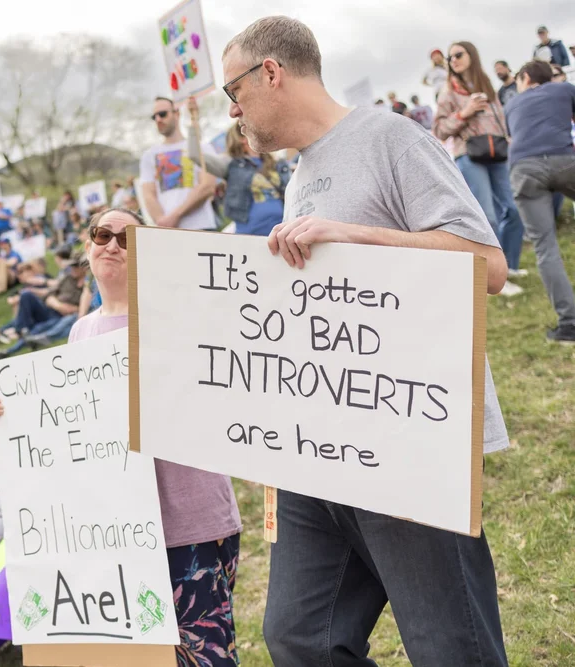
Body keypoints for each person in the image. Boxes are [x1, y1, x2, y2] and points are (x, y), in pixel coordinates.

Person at [221, 16, 509, 666]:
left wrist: (357, 236)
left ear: (271, 72)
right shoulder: (298, 178)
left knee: (448, 645)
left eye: (233, 90)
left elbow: (487, 266)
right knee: (300, 635)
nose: (232, 109)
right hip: (316, 446)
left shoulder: (390, 138)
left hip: (406, 440)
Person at [0, 207, 243, 666]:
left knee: (204, 657)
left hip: (189, 521)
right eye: (102, 235)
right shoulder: (80, 331)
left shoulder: (177, 315)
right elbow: (68, 424)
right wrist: (8, 414)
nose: (113, 245)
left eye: (127, 238)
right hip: (118, 533)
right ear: (88, 248)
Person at [434, 40, 526, 291]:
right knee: (488, 218)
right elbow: (439, 130)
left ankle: (509, 265)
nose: (453, 60)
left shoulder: (487, 87)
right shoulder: (448, 92)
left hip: (498, 153)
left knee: (514, 210)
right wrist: (464, 112)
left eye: (458, 54)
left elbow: (501, 119)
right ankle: (494, 279)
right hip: (470, 155)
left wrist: (507, 136)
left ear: (471, 55)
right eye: (450, 57)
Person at [505, 60, 575, 343]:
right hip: (564, 160)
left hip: (524, 169)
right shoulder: (564, 89)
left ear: (525, 77)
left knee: (545, 247)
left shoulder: (512, 104)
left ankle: (569, 325)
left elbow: (515, 136)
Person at [187, 98, 291, 236]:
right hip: (250, 236)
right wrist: (193, 118)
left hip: (282, 233)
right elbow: (194, 155)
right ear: (242, 137)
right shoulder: (231, 164)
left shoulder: (276, 163)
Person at [139, 96, 218, 230]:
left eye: (162, 114)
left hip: (201, 228)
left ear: (177, 114)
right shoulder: (148, 155)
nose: (158, 119)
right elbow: (148, 194)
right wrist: (162, 222)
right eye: (154, 117)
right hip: (168, 232)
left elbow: (207, 186)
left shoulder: (202, 147)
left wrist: (175, 216)